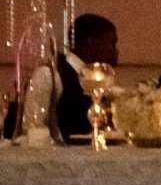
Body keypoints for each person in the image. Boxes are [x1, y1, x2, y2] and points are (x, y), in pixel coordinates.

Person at [20, 13, 118, 144]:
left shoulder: (101, 79)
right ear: (91, 43)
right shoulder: (49, 74)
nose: (116, 51)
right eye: (112, 44)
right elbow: (32, 129)